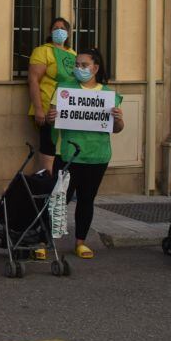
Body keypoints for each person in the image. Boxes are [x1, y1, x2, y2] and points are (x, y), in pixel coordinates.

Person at [46, 48, 124, 259]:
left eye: (83, 65)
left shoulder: (108, 95)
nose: (79, 69)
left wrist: (118, 119)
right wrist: (51, 116)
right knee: (58, 200)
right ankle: (45, 241)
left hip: (96, 156)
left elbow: (117, 128)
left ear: (95, 68)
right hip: (68, 155)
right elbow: (50, 119)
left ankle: (80, 242)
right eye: (76, 65)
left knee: (86, 200)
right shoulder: (64, 88)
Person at [27, 17, 76, 172]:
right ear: (50, 32)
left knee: (66, 148)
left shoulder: (73, 54)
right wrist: (39, 109)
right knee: (49, 146)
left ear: (68, 33)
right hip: (48, 107)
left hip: (68, 110)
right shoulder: (43, 51)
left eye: (62, 28)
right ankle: (48, 182)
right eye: (55, 28)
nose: (59, 31)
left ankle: (62, 186)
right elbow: (33, 80)